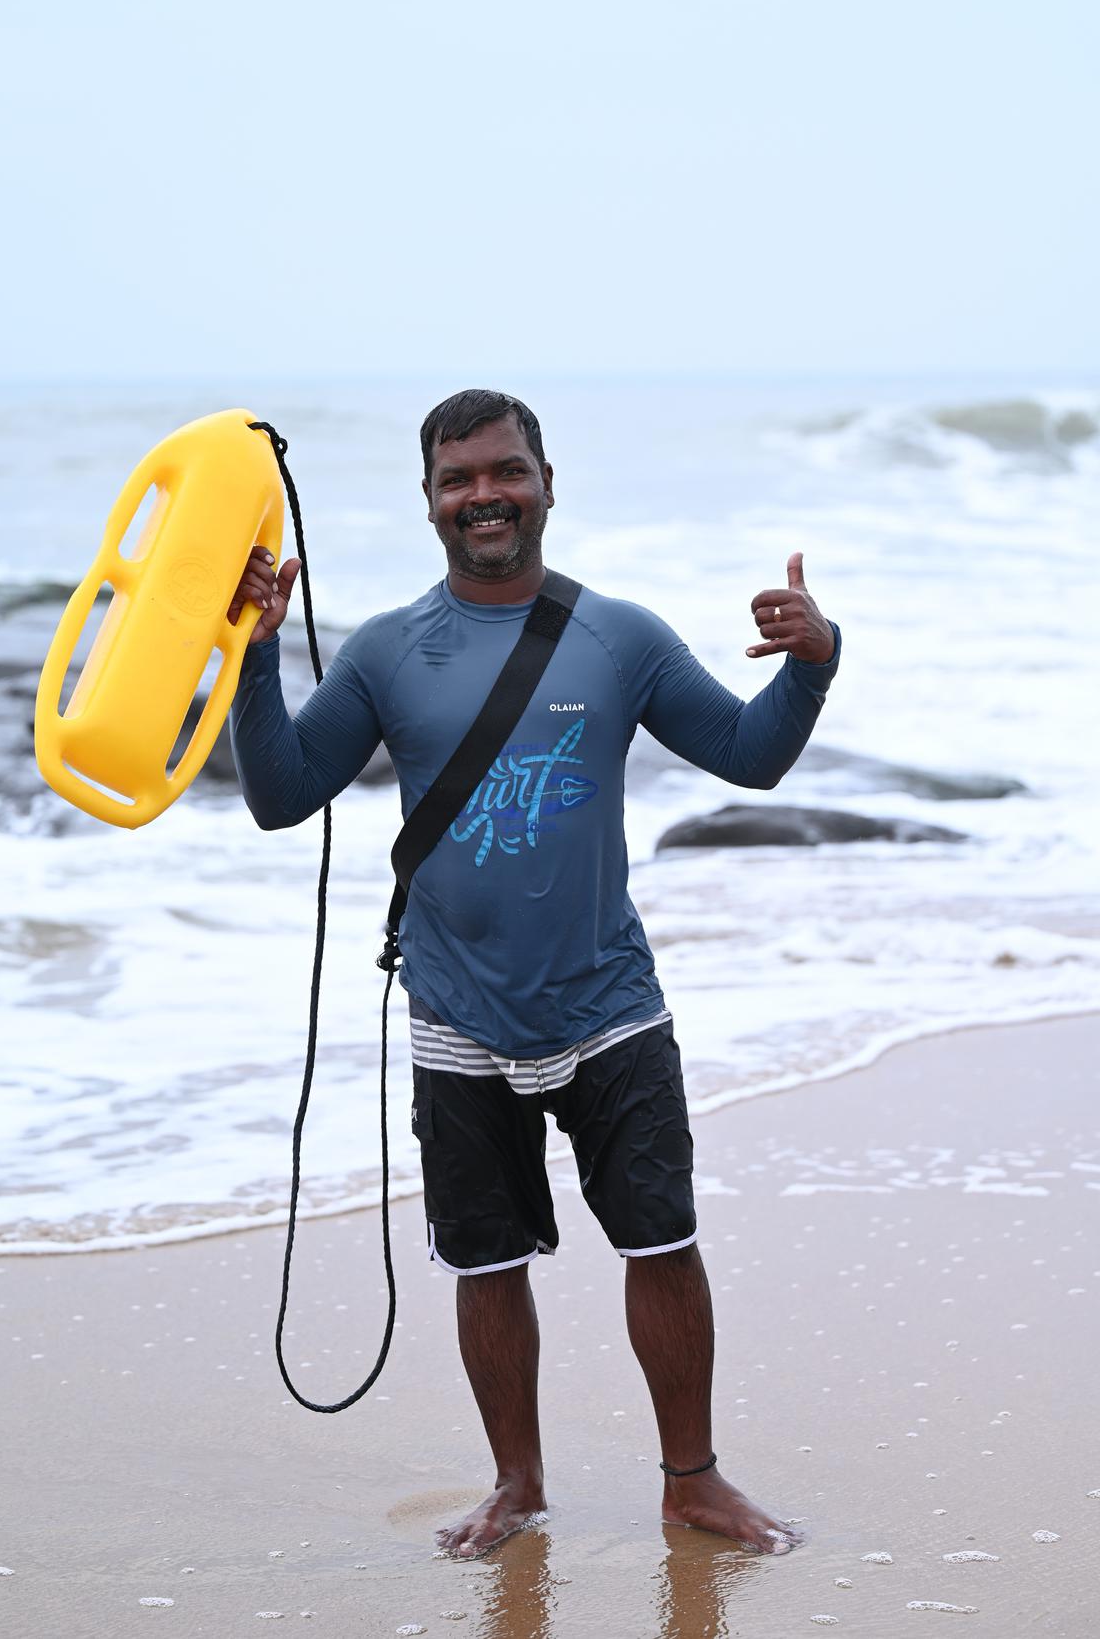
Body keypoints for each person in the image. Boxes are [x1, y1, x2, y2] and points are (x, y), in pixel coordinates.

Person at [226, 389, 840, 1559]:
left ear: (548, 480)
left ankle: (693, 1481)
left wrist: (812, 663)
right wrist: (255, 653)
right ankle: (518, 1486)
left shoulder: (622, 637)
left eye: (503, 471)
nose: (483, 496)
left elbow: (751, 758)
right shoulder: (388, 651)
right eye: (457, 481)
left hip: (608, 1006)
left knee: (662, 1240)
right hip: (458, 1014)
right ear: (427, 504)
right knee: (484, 1262)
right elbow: (279, 796)